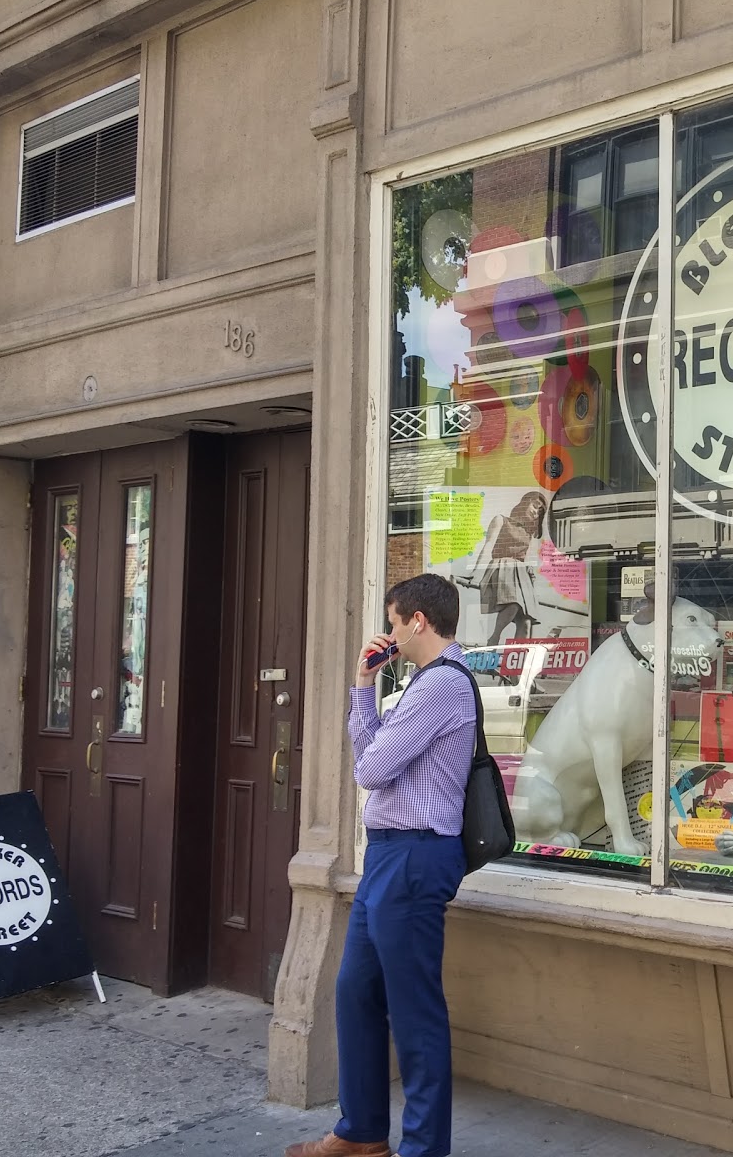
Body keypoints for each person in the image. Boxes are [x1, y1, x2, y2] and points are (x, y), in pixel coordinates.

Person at [287, 573, 477, 1157]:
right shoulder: (419, 684)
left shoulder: (440, 685)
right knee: (355, 990)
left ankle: (423, 1149)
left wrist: (372, 713)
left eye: (393, 622)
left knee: (415, 1011)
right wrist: (363, 684)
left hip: (417, 855)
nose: (388, 632)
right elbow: (372, 757)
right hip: (390, 853)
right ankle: (361, 1132)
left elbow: (369, 769)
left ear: (416, 621)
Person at [464, 490, 547, 646]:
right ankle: (494, 637)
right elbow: (488, 546)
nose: (536, 512)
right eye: (535, 506)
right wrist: (476, 572)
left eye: (540, 511)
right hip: (503, 567)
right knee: (513, 603)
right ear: (525, 502)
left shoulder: (528, 533)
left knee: (526, 623)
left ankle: (516, 663)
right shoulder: (501, 520)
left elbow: (527, 559)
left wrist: (532, 578)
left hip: (521, 574)